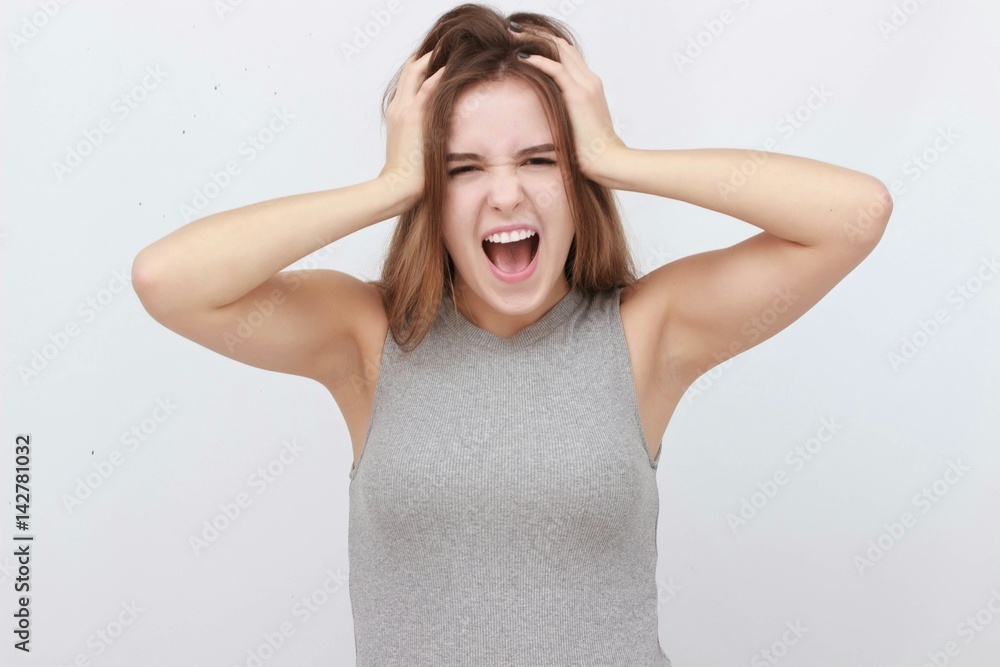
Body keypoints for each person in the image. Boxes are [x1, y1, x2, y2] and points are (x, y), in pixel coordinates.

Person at [132, 4, 892, 665]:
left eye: (540, 158)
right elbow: (168, 281)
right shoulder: (366, 338)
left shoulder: (645, 333)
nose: (506, 192)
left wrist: (618, 158)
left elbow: (856, 214)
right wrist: (390, 186)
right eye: (463, 168)